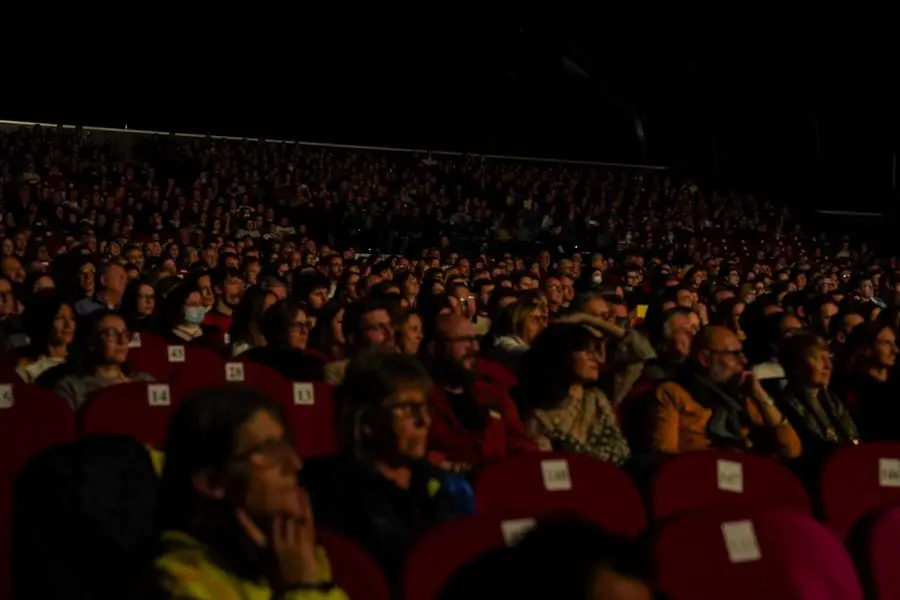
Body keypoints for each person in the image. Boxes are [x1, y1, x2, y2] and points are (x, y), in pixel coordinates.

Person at [143, 385, 348, 599]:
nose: (295, 464)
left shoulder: (295, 554)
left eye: (287, 446)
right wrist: (302, 588)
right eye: (270, 450)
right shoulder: (180, 581)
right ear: (213, 482)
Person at [302, 352, 474, 582]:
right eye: (408, 408)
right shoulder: (326, 493)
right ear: (366, 421)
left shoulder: (449, 490)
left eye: (425, 407)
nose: (425, 420)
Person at [646, 326, 802, 458]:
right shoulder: (672, 392)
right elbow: (665, 456)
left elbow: (791, 449)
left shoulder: (743, 395)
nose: (744, 361)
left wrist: (761, 396)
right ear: (705, 359)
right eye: (734, 355)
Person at [425, 313, 536, 469]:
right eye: (464, 340)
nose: (474, 347)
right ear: (435, 348)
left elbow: (519, 442)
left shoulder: (493, 393)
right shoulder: (421, 401)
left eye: (475, 339)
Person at [515, 323, 631, 465]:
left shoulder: (596, 399)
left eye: (596, 350)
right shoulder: (537, 414)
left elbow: (620, 452)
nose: (597, 358)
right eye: (587, 351)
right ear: (562, 353)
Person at [52, 310, 155, 410]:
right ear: (91, 342)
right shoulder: (73, 388)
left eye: (125, 334)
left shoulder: (144, 382)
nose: (122, 341)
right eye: (112, 334)